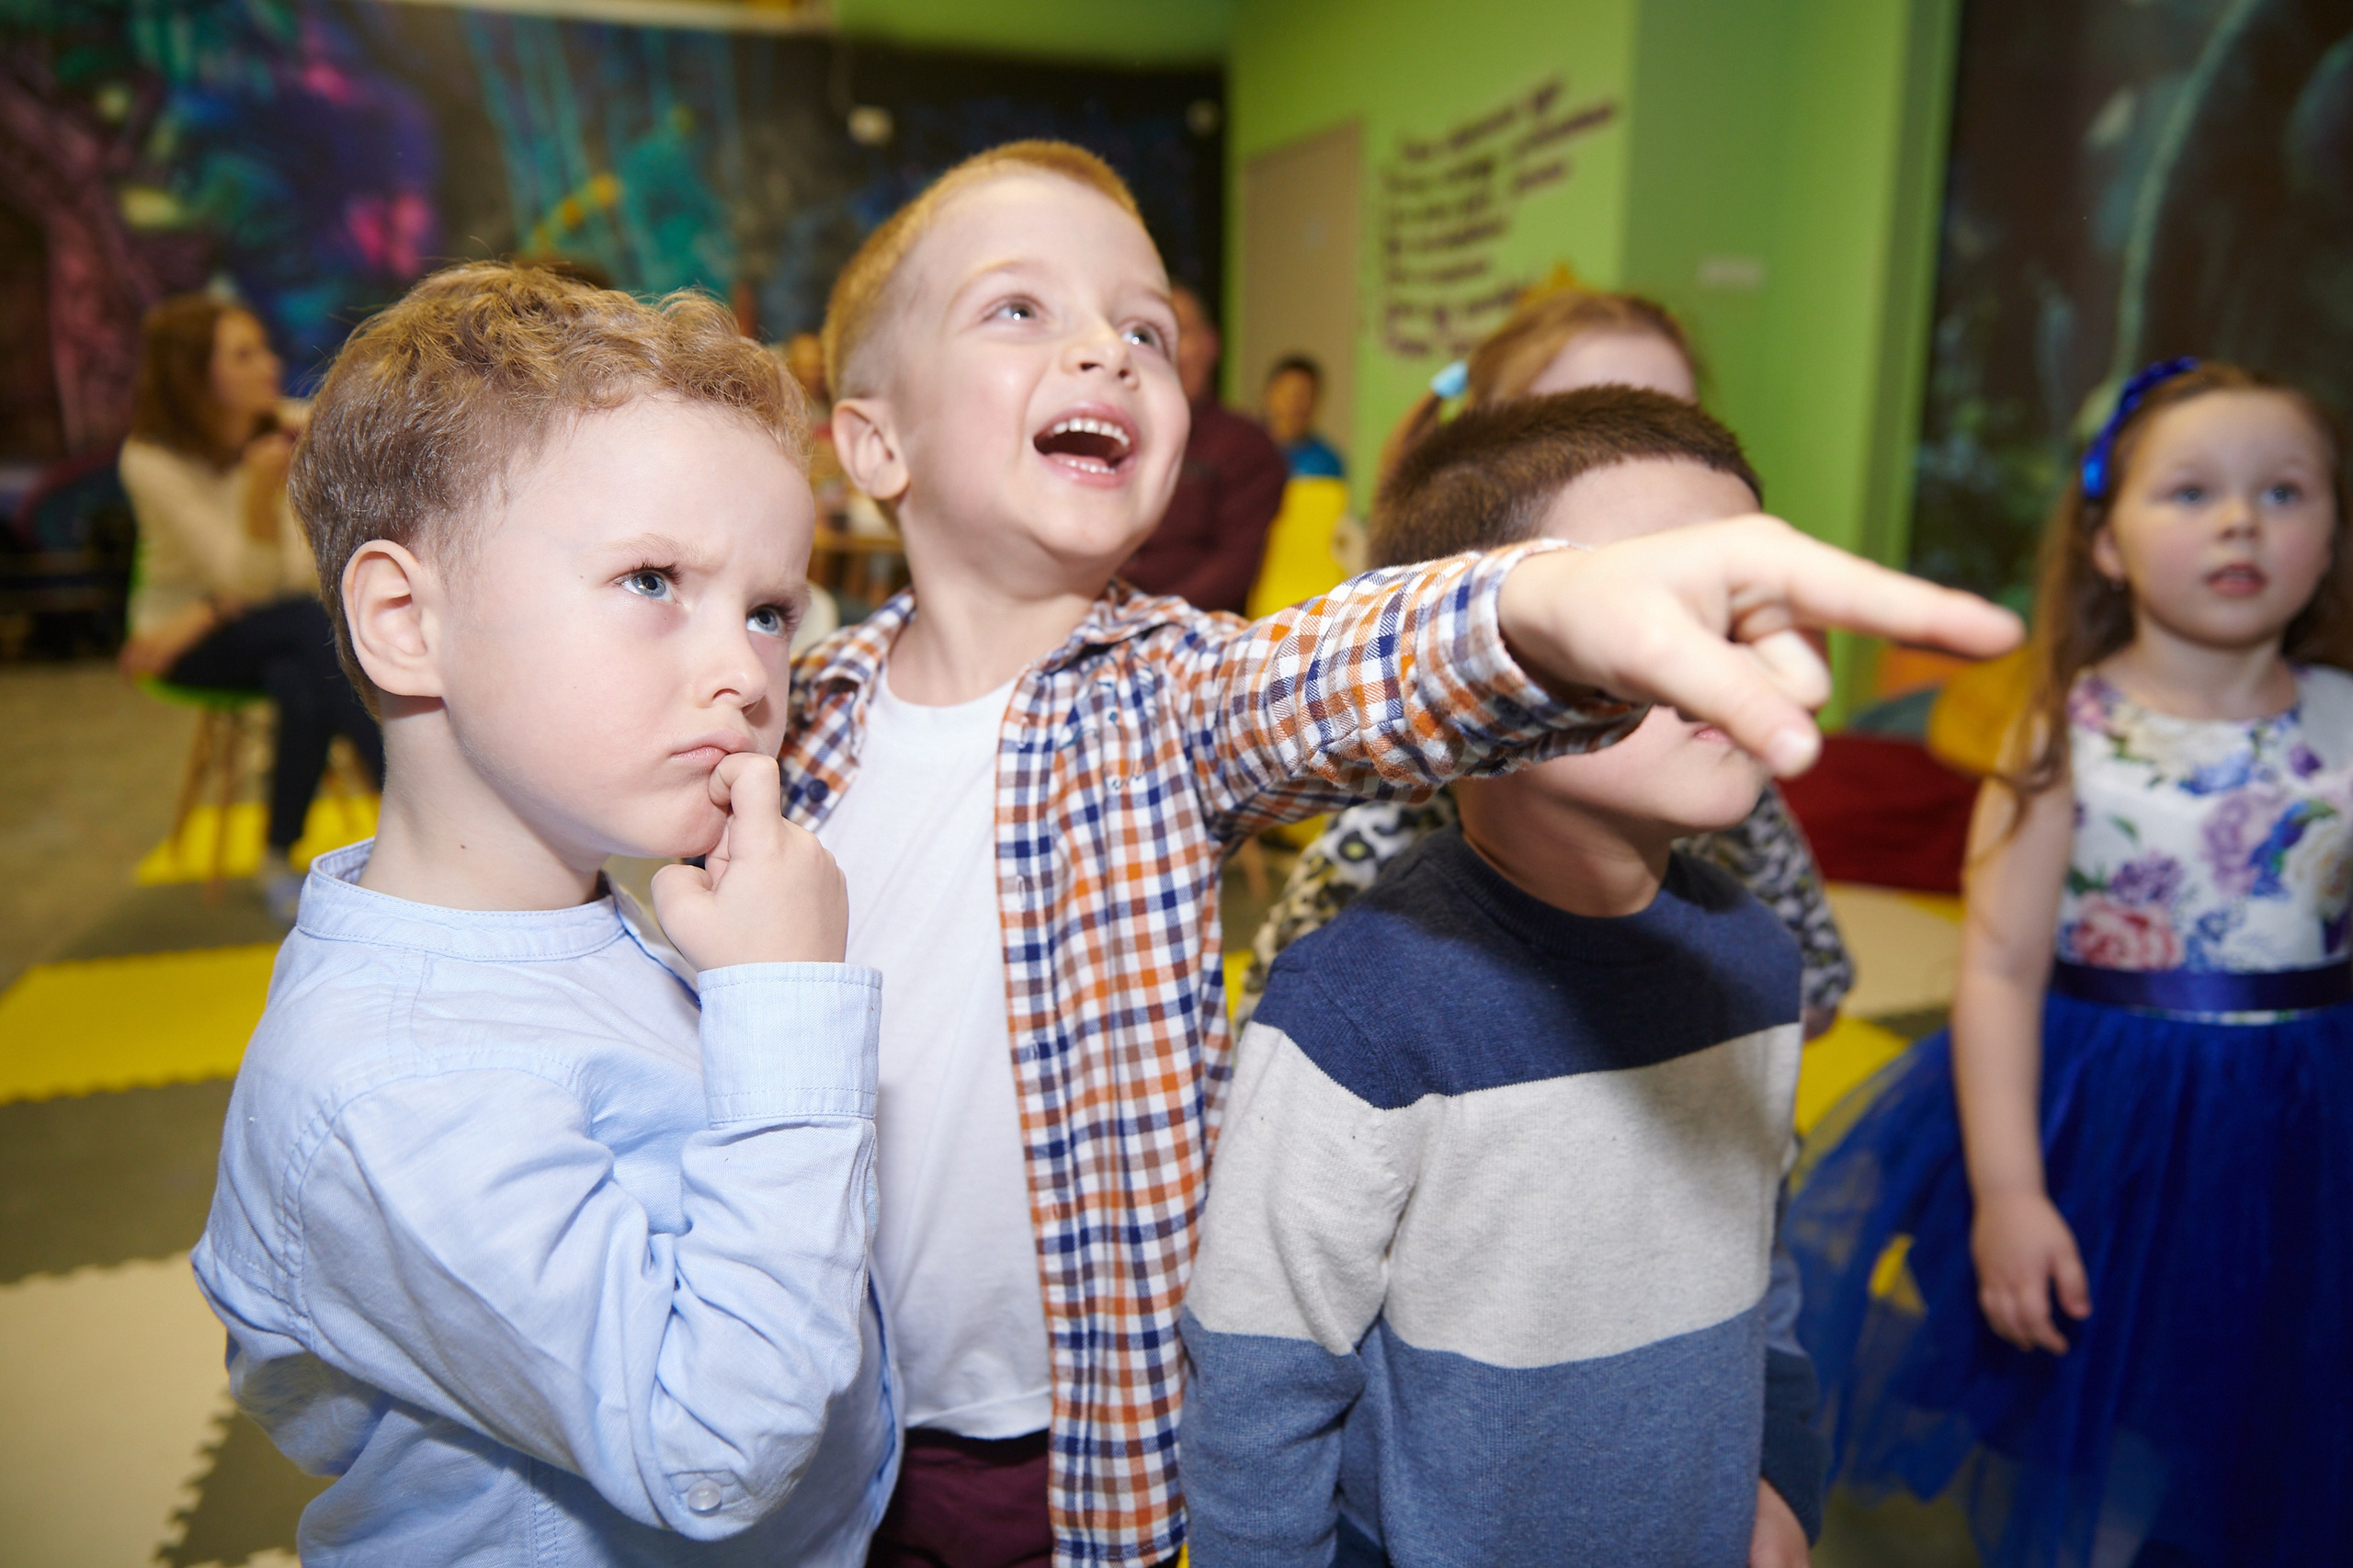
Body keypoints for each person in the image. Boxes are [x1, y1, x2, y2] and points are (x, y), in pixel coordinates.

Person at [798, 139, 2013, 1567]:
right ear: (875, 441)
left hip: (1088, 1451)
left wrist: (1545, 609)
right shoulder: (789, 729)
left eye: (1145, 326)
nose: (1107, 352)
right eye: (1021, 310)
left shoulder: (1173, 694)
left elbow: (1348, 671)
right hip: (834, 1417)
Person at [189, 265, 898, 1565]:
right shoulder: (395, 1080)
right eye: (650, 580)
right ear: (408, 621)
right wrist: (788, 1001)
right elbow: (710, 1443)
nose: (746, 670)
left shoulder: (581, 909)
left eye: (768, 610)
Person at [1181, 389, 1824, 1568]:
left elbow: (1760, 1257)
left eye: (1749, 609)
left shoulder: (1756, 957)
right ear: (1477, 678)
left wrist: (1780, 1474)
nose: (1726, 658)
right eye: (1657, 614)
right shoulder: (1357, 1007)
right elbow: (1259, 1387)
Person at [1783, 360, 2353, 1567]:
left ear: (2331, 535)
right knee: (2107, 1430)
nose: (2241, 519)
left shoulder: (2348, 722)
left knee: (2278, 1413)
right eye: (2191, 491)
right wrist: (2009, 1191)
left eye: (2286, 492)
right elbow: (1995, 971)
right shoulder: (2064, 732)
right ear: (2104, 544)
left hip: (2310, 1119)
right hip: (2116, 1127)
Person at [1237, 287, 1853, 1036]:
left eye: (1680, 427)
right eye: (1580, 425)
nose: (1648, 462)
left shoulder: (1727, 782)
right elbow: (1276, 1038)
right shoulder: (1400, 818)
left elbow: (1811, 991)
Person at [117, 294, 384, 919]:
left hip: (255, 626)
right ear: (195, 375)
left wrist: (213, 606)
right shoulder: (151, 458)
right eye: (243, 354)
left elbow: (298, 580)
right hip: (181, 647)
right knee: (312, 633)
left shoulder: (295, 424)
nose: (268, 364)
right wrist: (261, 497)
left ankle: (277, 856)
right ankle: (416, 812)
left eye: (262, 347)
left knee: (302, 674)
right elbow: (256, 580)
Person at [1118, 283, 1289, 612]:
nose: (1166, 351)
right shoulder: (1109, 438)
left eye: (1180, 333)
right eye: (1144, 337)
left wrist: (1145, 619)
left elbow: (1235, 567)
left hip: (1190, 633)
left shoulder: (1243, 445)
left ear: (1211, 345)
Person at [1262, 354, 1345, 479]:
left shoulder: (1327, 463)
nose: (1294, 403)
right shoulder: (1246, 448)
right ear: (1269, 395)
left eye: (1303, 395)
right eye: (1288, 394)